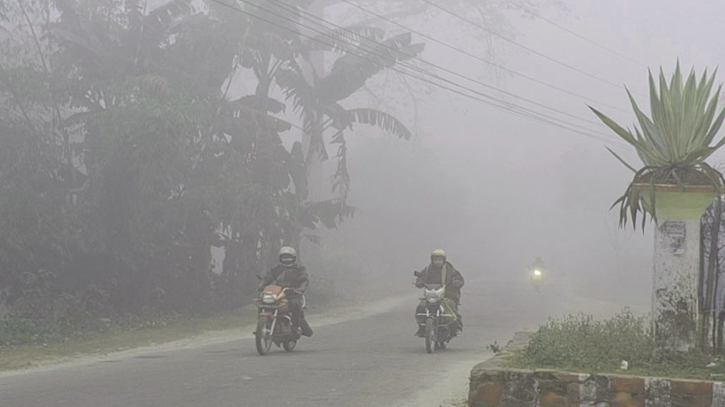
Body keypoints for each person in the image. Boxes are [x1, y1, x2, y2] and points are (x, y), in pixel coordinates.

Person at [259, 246, 313, 337]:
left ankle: (295, 327)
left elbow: (304, 279)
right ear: (280, 258)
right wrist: (262, 285)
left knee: (295, 304)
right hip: (279, 291)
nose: (286, 259)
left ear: (294, 258)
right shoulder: (277, 268)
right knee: (263, 302)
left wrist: (300, 289)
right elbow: (269, 277)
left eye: (289, 257)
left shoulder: (299, 268)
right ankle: (264, 323)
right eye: (284, 257)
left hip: (293, 292)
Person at [414, 249, 464, 336]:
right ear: (432, 260)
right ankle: (422, 327)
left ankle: (453, 327)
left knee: (450, 308)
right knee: (421, 307)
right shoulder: (427, 269)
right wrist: (419, 282)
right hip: (432, 295)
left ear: (443, 260)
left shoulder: (450, 269)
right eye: (435, 260)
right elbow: (422, 277)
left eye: (439, 260)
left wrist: (457, 282)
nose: (437, 262)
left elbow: (458, 277)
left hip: (448, 294)